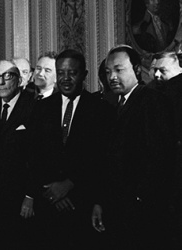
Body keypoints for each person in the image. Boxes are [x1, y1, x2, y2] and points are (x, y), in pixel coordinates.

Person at [21, 49, 115, 249]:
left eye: (72, 73)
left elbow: (101, 160)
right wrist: (51, 189)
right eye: (61, 72)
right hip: (46, 203)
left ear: (84, 75)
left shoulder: (101, 110)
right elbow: (32, 155)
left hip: (83, 204)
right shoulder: (41, 108)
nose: (65, 78)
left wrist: (69, 184)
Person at [91, 45, 177, 250]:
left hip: (142, 212)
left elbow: (160, 156)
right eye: (108, 71)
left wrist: (139, 199)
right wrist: (101, 201)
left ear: (137, 70)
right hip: (116, 210)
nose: (112, 76)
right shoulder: (112, 106)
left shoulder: (152, 100)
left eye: (119, 70)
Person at [0, 60, 36, 249]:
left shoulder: (33, 107)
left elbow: (37, 156)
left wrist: (30, 196)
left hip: (19, 196)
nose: (2, 82)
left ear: (19, 80)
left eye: (7, 76)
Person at [151, 51, 182, 247]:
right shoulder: (157, 93)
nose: (156, 75)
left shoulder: (172, 92)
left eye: (162, 70)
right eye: (154, 70)